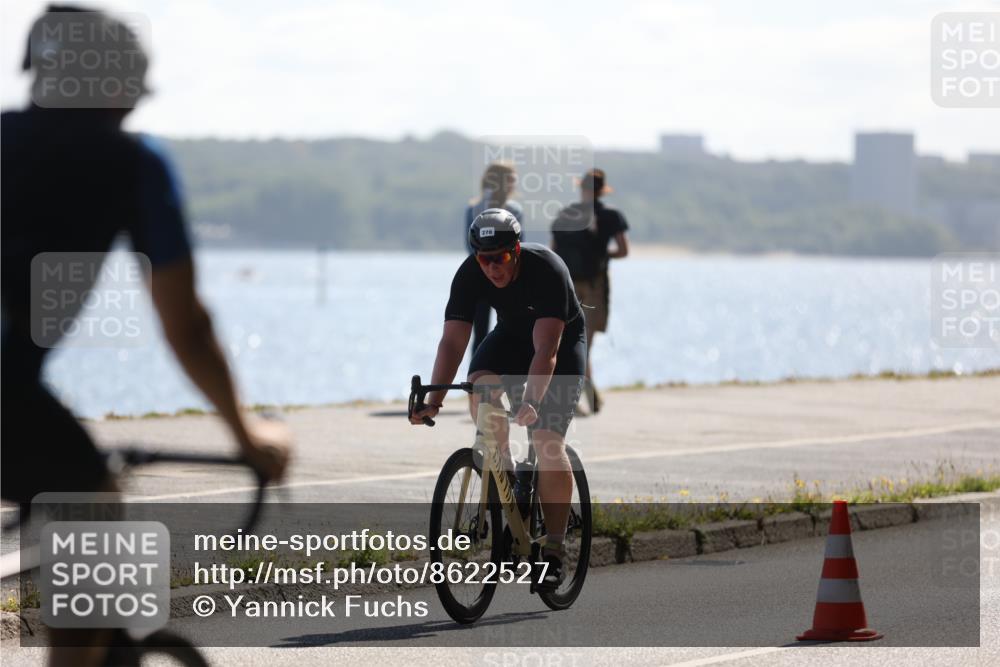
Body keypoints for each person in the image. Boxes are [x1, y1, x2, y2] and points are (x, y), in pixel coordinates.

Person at [1, 7, 290, 665]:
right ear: (118, 86)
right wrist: (248, 435)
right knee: (91, 505)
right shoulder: (131, 164)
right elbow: (186, 325)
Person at [411, 209, 586, 589]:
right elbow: (453, 341)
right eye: (484, 259)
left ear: (517, 250)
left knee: (546, 441)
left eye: (501, 257)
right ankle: (504, 478)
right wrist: (434, 400)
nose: (492, 267)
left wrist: (534, 401)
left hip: (560, 343)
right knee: (480, 384)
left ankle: (555, 550)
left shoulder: (547, 270)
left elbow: (546, 352)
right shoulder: (470, 273)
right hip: (510, 336)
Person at [551, 168, 629, 414]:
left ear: (581, 188)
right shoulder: (611, 216)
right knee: (584, 344)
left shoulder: (565, 215)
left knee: (568, 343)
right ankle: (581, 399)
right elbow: (624, 250)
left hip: (567, 285)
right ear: (601, 190)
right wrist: (604, 255)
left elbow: (553, 252)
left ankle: (586, 397)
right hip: (595, 285)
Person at [464, 162, 523, 353]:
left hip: (480, 274)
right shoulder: (514, 210)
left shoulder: (474, 207)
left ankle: (476, 378)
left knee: (480, 332)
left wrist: (486, 262)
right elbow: (520, 245)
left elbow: (470, 246)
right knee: (510, 328)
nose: (514, 185)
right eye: (511, 180)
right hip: (507, 277)